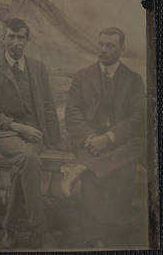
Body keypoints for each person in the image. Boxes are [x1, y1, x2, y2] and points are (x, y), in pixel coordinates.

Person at [0, 18, 60, 249]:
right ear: (3, 38)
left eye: (20, 37)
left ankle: (9, 229)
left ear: (27, 40)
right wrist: (18, 127)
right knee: (26, 158)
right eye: (11, 37)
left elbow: (47, 107)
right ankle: (42, 230)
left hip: (36, 134)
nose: (15, 42)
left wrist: (55, 141)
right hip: (6, 135)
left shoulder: (38, 67)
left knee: (20, 168)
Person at [63, 27, 146, 248]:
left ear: (122, 48)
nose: (103, 49)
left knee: (126, 166)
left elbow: (137, 117)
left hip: (117, 143)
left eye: (110, 45)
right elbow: (72, 113)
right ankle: (96, 238)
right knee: (94, 178)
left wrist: (109, 138)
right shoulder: (82, 76)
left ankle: (115, 235)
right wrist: (91, 137)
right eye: (101, 44)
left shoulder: (135, 80)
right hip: (89, 141)